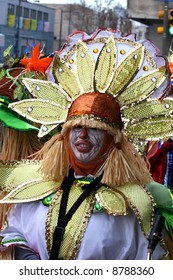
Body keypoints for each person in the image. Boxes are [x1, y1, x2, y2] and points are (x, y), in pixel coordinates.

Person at [0, 28, 173, 260]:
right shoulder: (36, 187)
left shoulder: (137, 202)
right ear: (63, 134)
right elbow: (14, 235)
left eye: (94, 129)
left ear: (115, 140)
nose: (82, 136)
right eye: (76, 127)